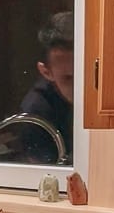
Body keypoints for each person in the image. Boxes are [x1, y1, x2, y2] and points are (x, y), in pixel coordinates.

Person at [18, 10, 74, 162]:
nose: (80, 88)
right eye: (69, 78)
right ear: (46, 72)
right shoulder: (36, 110)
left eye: (85, 74)